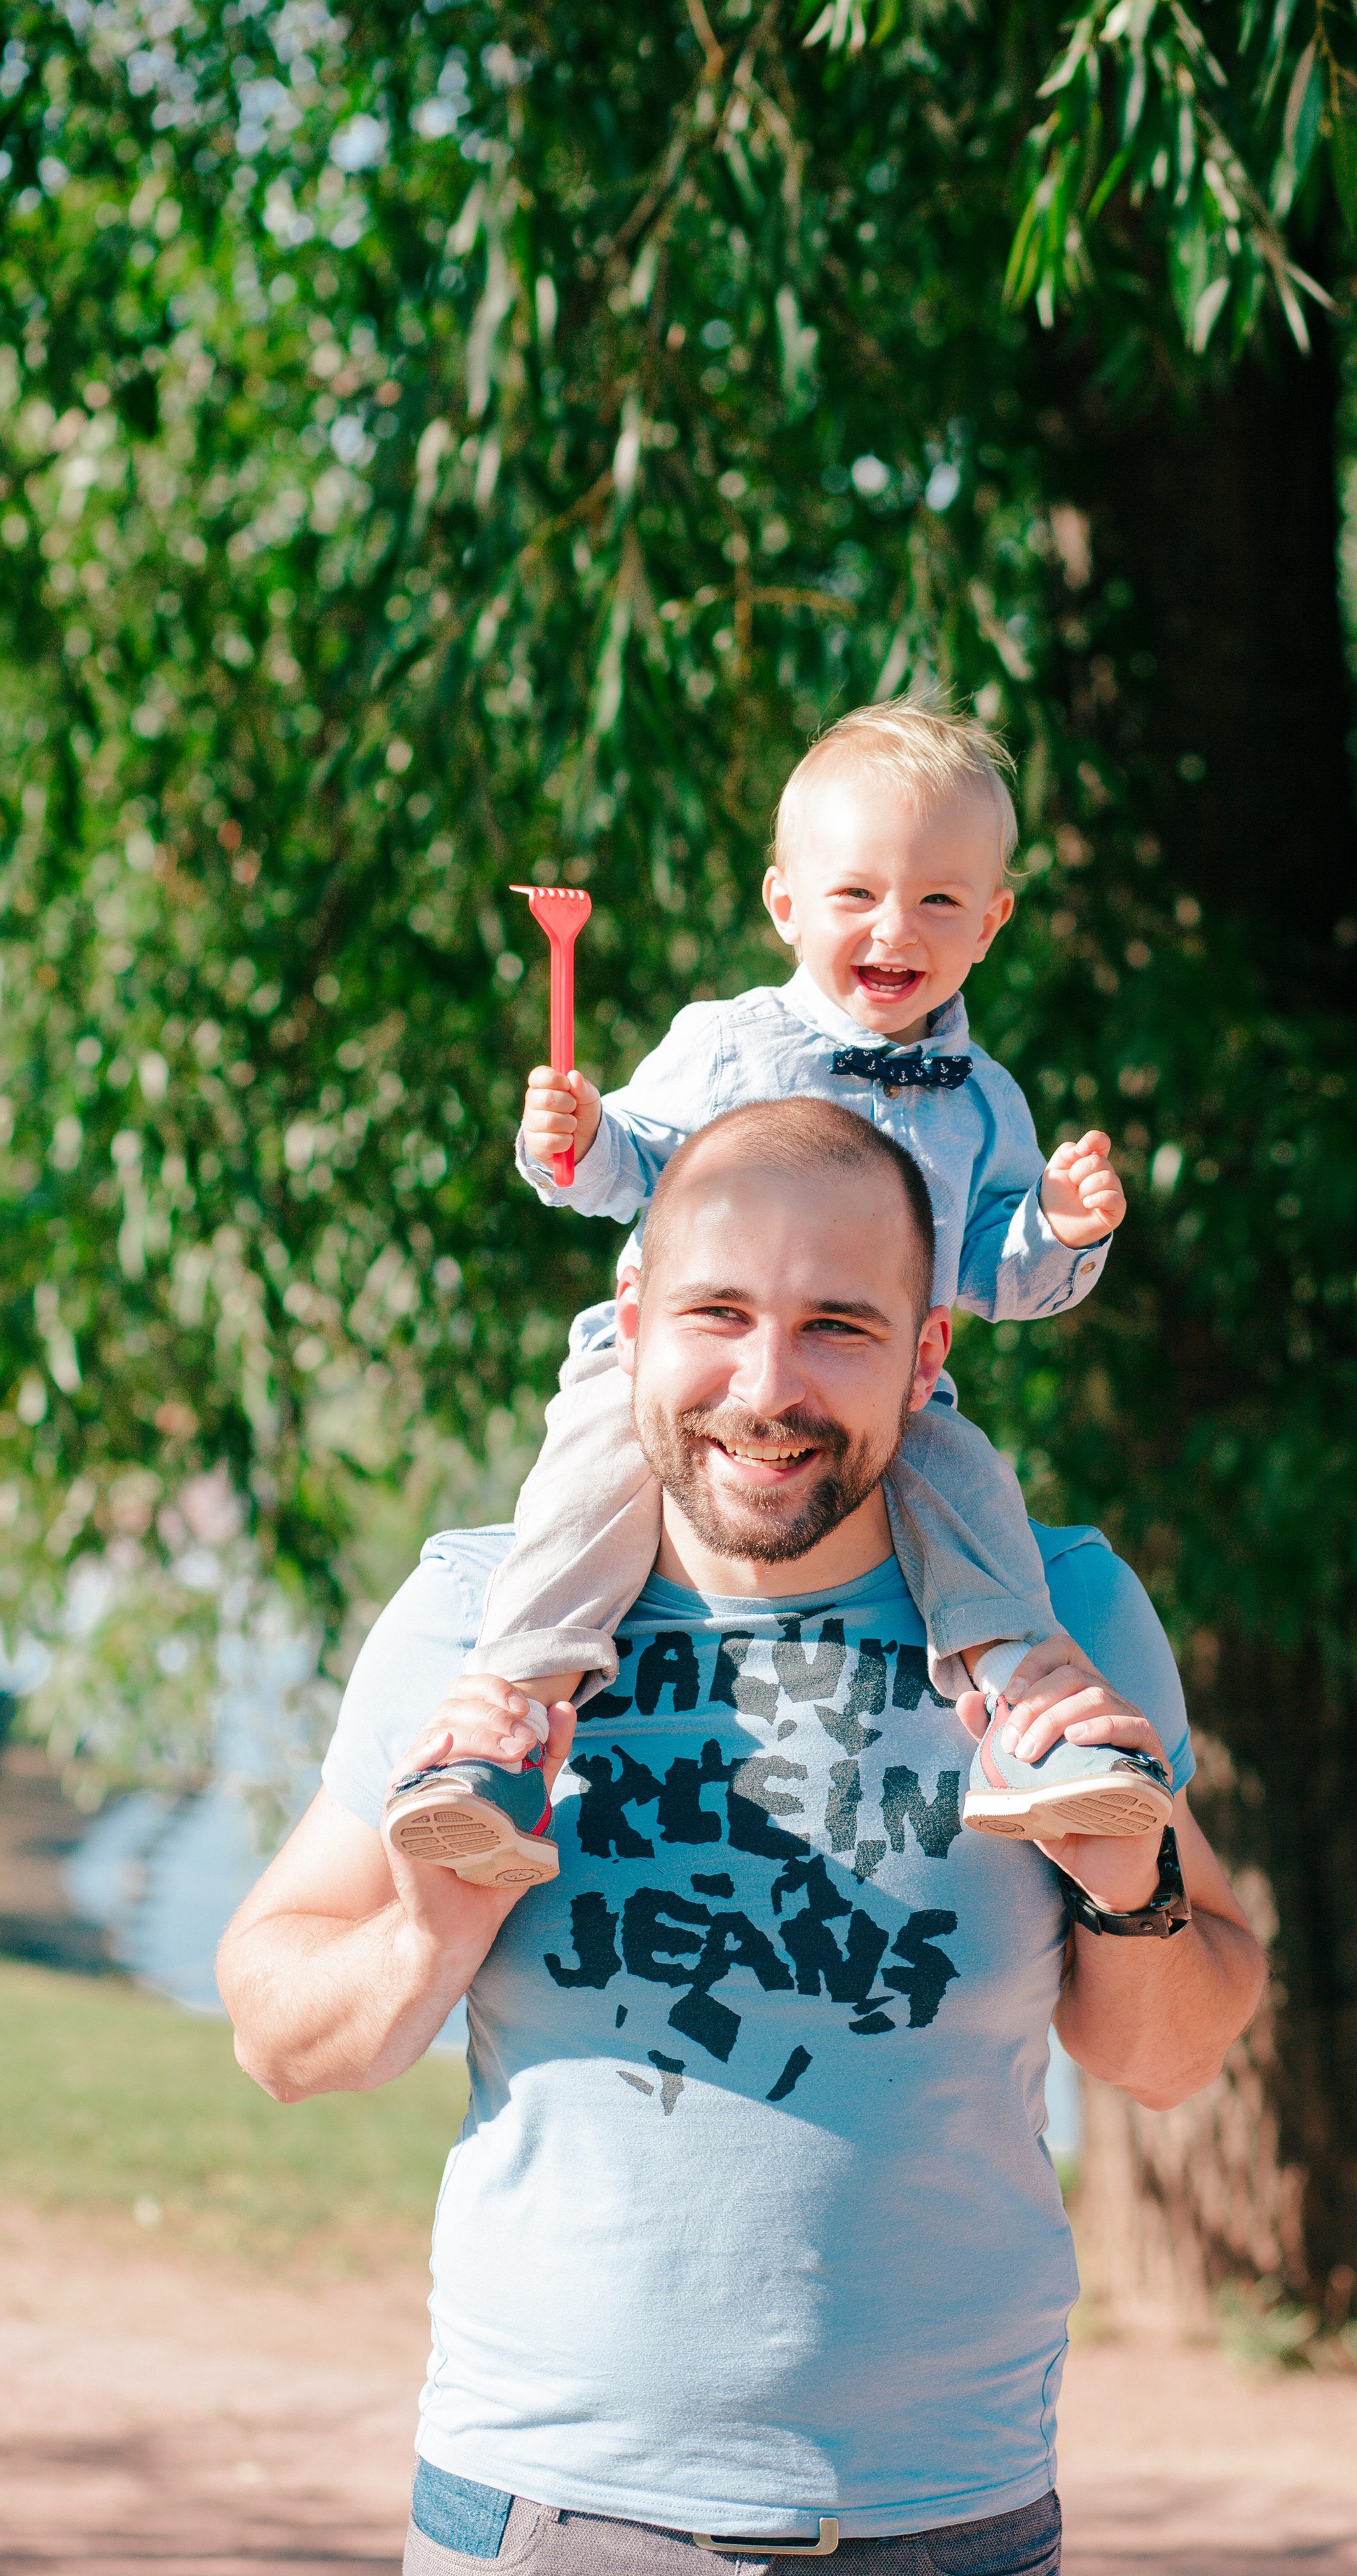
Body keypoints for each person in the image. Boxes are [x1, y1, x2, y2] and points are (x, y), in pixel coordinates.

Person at [216, 1101, 1265, 2576]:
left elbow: (1174, 2052)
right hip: (543, 2552)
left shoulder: (1057, 1627)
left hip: (939, 2563)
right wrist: (432, 1931)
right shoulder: (481, 1626)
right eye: (718, 1315)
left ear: (925, 1360)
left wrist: (1128, 1882)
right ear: (630, 1324)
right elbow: (282, 2031)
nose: (765, 1390)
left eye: (836, 1327)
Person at [385, 701, 1160, 1882]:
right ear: (786, 905)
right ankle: (501, 1727)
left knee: (971, 1491)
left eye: (940, 901)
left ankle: (1026, 1712)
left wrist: (1057, 1228)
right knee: (592, 1479)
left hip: (882, 1384)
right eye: (857, 896)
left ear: (992, 921)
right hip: (672, 1366)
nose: (896, 926)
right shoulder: (726, 1046)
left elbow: (997, 1278)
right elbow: (627, 1168)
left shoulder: (987, 1102)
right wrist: (578, 1134)